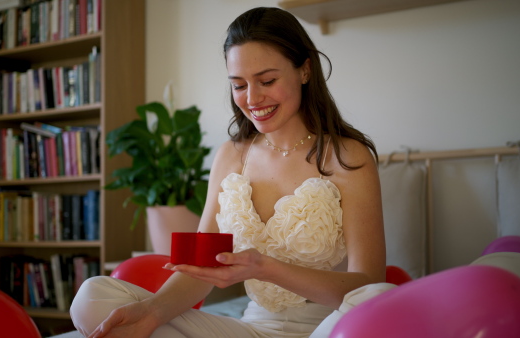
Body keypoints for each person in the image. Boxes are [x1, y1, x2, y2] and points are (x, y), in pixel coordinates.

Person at [70, 7, 388, 338]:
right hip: (252, 330)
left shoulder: (348, 157)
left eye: (267, 80)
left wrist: (266, 269)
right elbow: (200, 269)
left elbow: (367, 288)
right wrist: (151, 314)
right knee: (92, 297)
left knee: (379, 295)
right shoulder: (231, 157)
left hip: (331, 328)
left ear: (305, 70)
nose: (252, 99)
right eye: (238, 85)